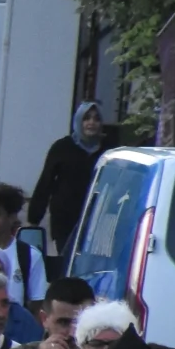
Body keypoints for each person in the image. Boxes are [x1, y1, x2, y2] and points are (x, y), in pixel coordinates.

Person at [30, 103, 105, 257]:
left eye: (96, 119)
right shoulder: (62, 148)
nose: (91, 123)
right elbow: (46, 183)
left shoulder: (107, 150)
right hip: (66, 220)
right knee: (66, 261)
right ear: (78, 121)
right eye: (86, 118)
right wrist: (34, 218)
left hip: (97, 218)